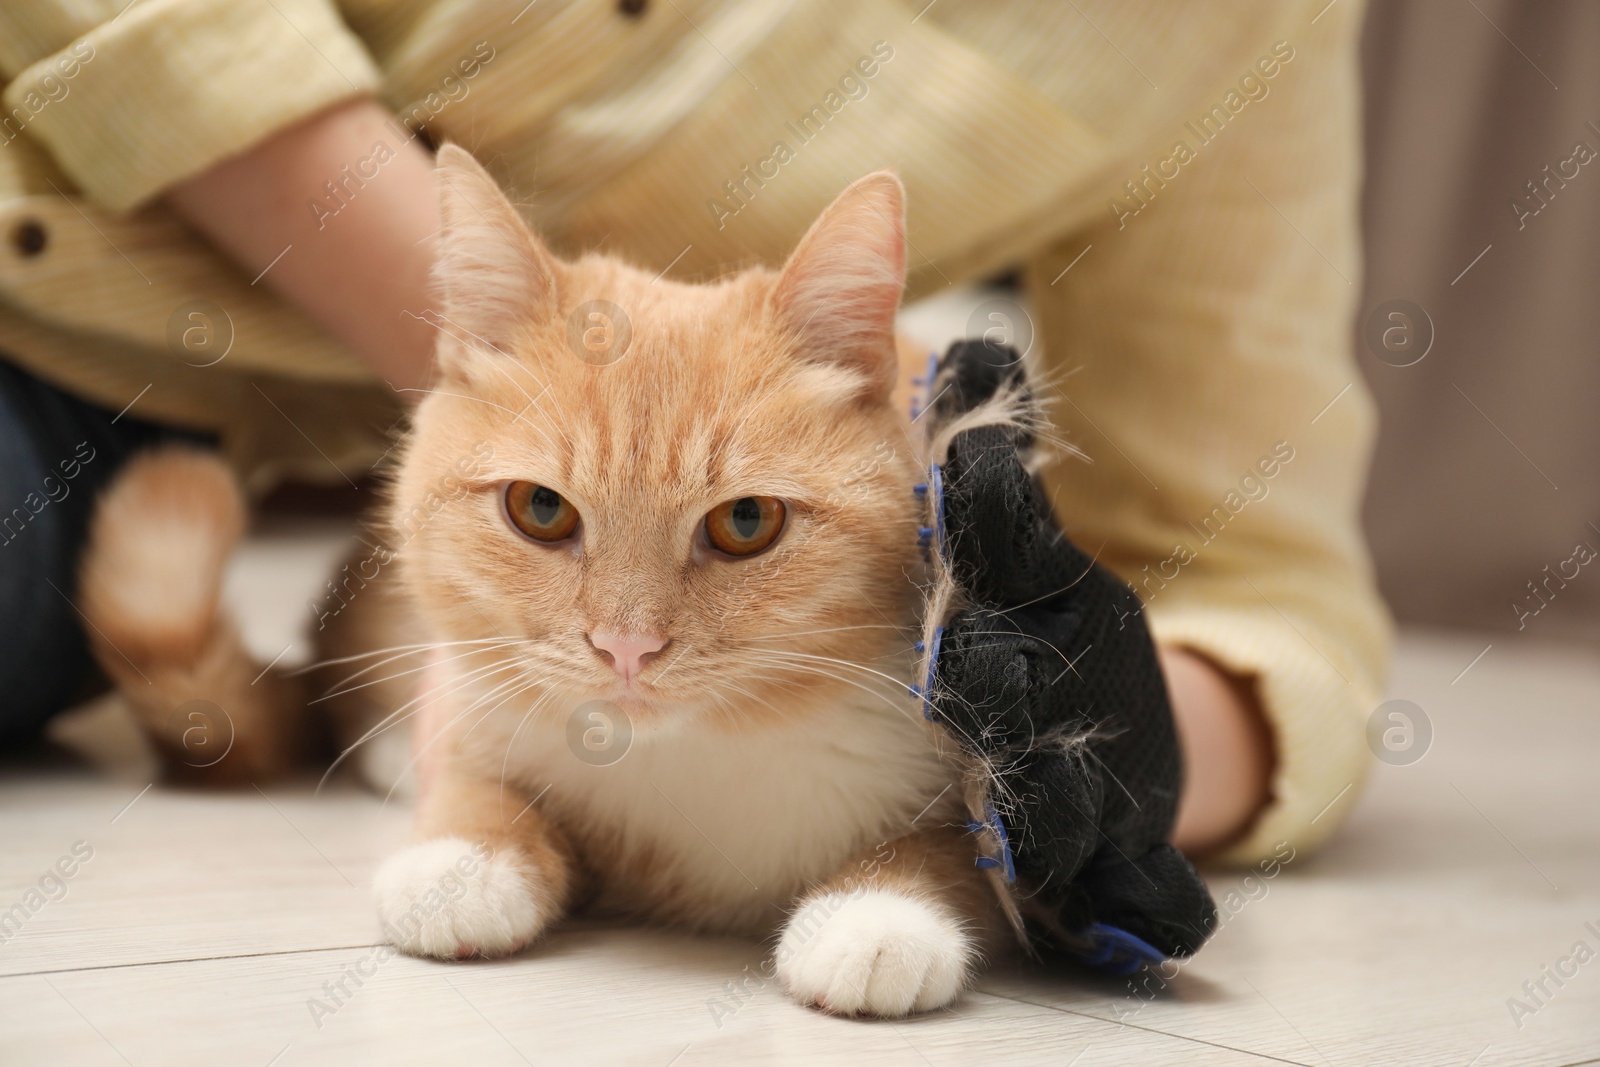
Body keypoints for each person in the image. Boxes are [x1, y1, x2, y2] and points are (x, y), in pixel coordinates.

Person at [0, 0, 1389, 865]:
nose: (629, 634)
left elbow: (1261, 576)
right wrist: (517, 378)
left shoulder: (1235, 27)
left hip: (190, 450)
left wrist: (1121, 742)